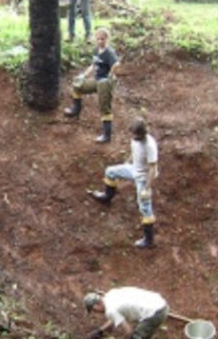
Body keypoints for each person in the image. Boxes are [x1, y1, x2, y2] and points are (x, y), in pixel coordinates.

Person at [89, 117, 158, 248]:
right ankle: (107, 197)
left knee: (144, 206)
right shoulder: (136, 139)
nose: (133, 136)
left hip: (143, 177)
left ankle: (149, 240)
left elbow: (153, 169)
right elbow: (135, 151)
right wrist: (128, 161)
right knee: (110, 172)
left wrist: (146, 188)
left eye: (135, 134)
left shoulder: (150, 145)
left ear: (141, 133)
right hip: (134, 169)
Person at [63, 27, 120, 143]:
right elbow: (93, 65)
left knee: (104, 107)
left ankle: (106, 135)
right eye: (98, 39)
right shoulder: (96, 50)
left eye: (102, 39)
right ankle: (76, 109)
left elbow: (116, 64)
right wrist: (83, 76)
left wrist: (110, 76)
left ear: (107, 39)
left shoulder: (109, 52)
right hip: (97, 80)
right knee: (77, 86)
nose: (100, 41)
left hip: (104, 82)